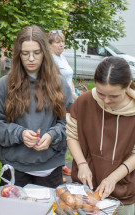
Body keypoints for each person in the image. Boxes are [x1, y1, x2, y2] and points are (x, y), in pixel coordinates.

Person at [0, 25, 73, 188]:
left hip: (50, 168)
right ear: (18, 54)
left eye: (36, 53)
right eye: (25, 53)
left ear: (45, 53)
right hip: (15, 168)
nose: (31, 59)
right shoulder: (5, 84)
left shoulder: (59, 83)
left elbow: (69, 122)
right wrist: (20, 134)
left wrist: (52, 136)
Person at [66, 56, 135, 214]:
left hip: (122, 193)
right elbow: (72, 135)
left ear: (128, 85)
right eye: (101, 93)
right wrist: (82, 164)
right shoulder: (84, 102)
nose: (106, 101)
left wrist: (113, 178)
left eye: (114, 96)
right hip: (84, 191)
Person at [48, 30, 76, 183]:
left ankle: (61, 163)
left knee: (65, 132)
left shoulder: (62, 57)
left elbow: (69, 78)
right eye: (57, 42)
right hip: (57, 101)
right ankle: (56, 168)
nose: (61, 45)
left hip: (68, 100)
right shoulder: (51, 60)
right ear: (50, 45)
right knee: (58, 132)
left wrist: (75, 94)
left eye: (62, 42)